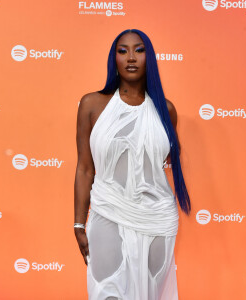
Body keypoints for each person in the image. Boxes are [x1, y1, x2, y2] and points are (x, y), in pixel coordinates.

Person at [74, 29, 191, 300]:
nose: (131, 57)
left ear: (149, 57)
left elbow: (169, 156)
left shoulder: (166, 110)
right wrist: (79, 224)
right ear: (113, 58)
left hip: (157, 219)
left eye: (139, 50)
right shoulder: (92, 105)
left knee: (149, 294)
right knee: (107, 292)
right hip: (107, 213)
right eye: (122, 50)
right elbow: (84, 168)